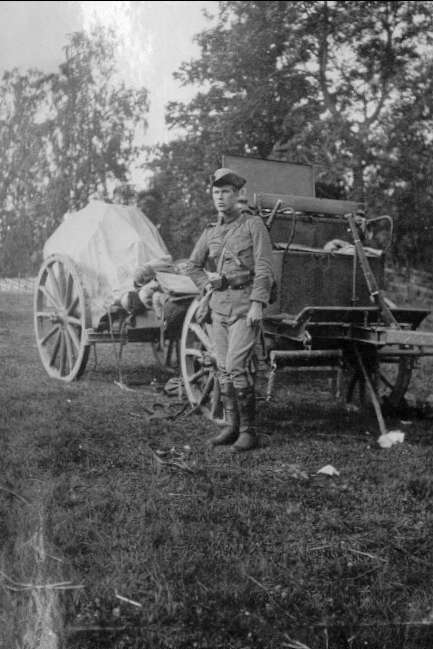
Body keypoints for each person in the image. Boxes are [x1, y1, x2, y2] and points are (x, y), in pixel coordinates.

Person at [187, 167, 274, 452]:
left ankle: (249, 432)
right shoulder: (211, 231)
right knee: (222, 367)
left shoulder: (253, 225)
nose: (220, 197)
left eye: (226, 192)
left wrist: (258, 303)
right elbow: (193, 266)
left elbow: (264, 268)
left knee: (235, 366)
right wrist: (207, 285)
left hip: (245, 307)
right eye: (216, 192)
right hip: (219, 307)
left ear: (238, 195)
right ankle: (231, 426)